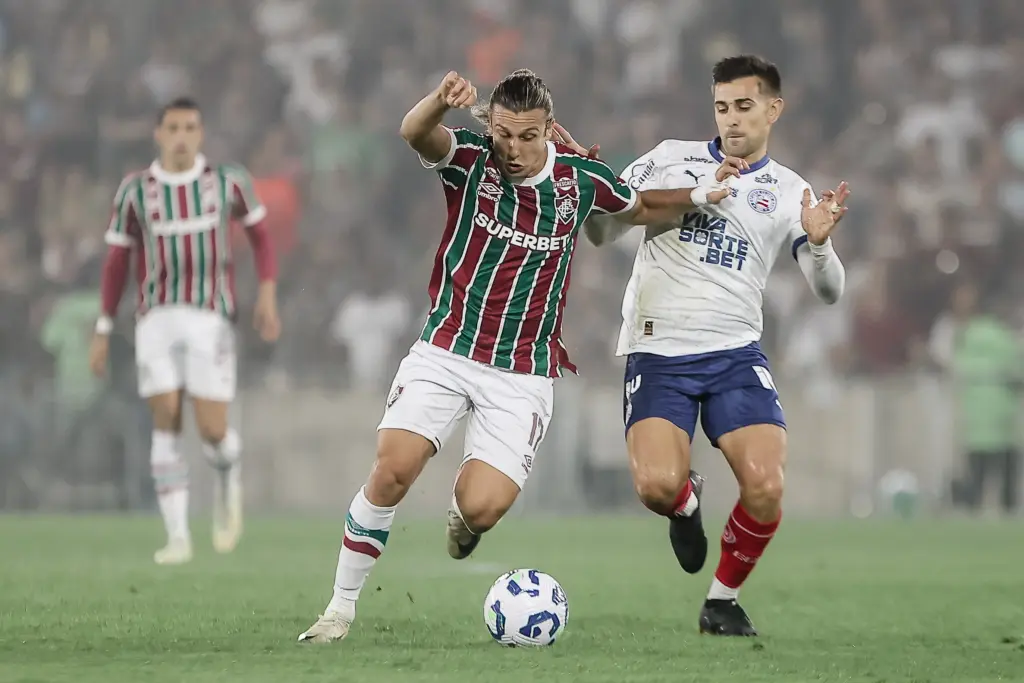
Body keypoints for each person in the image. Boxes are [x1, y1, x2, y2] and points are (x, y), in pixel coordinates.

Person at [299, 68, 729, 644]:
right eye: (504, 134)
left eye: (528, 136)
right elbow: (413, 131)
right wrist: (437, 101)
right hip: (447, 347)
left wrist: (702, 195)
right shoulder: (472, 161)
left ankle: (465, 518)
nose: (514, 149)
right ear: (491, 127)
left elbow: (639, 207)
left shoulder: (581, 180)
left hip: (521, 374)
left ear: (550, 130)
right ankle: (339, 611)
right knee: (393, 470)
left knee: (480, 509)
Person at [571, 55, 850, 636]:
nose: (731, 120)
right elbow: (601, 233)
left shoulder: (788, 188)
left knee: (768, 487)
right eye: (722, 107)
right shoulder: (669, 157)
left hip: (735, 356)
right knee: (655, 488)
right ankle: (684, 502)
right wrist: (597, 194)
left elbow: (828, 293)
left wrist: (820, 246)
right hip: (658, 351)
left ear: (774, 109)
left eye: (744, 107)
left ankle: (720, 601)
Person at [89, 97, 280, 565]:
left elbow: (260, 235)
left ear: (201, 133)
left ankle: (226, 477)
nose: (180, 135)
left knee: (213, 429)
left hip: (210, 314)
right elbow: (117, 260)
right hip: (154, 316)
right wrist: (103, 325)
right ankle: (177, 537)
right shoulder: (136, 190)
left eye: (189, 127)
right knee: (166, 418)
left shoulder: (226, 181)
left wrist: (268, 294)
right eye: (172, 127)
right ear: (158, 133)